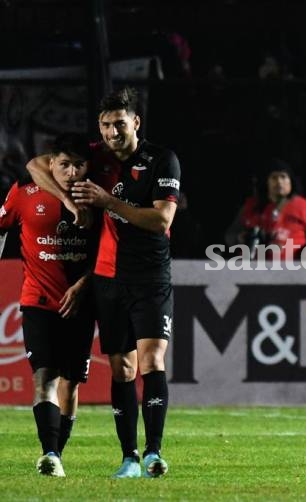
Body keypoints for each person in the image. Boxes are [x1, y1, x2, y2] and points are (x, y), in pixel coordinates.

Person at [26, 88, 180, 479]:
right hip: (108, 278)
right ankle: (129, 457)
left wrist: (107, 201)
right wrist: (72, 200)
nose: (113, 132)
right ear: (100, 126)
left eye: (120, 123)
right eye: (107, 124)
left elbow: (162, 221)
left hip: (150, 276)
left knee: (152, 359)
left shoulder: (161, 159)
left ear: (136, 123)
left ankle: (154, 453)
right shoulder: (96, 156)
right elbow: (36, 165)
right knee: (122, 368)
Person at [0, 133, 97, 477]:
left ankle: (59, 450)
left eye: (78, 165)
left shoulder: (96, 199)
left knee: (71, 385)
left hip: (81, 306)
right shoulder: (25, 193)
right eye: (64, 164)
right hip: (37, 301)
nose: (71, 172)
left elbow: (108, 252)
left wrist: (84, 285)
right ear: (51, 163)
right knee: (44, 377)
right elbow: (1, 224)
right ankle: (50, 453)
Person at [224, 160, 306, 260]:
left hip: (293, 269)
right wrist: (239, 238)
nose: (279, 181)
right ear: (266, 182)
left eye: (283, 177)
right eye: (274, 177)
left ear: (291, 181)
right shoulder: (250, 206)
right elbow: (230, 234)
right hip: (251, 268)